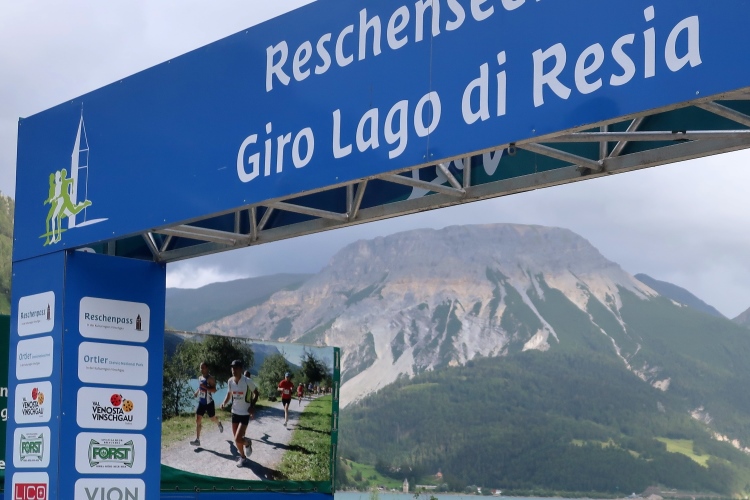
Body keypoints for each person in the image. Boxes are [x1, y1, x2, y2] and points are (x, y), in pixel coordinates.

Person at [221, 359, 259, 468]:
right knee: (237, 440)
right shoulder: (230, 381)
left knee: (238, 439)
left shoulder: (247, 381)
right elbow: (229, 394)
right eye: (232, 368)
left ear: (241, 369)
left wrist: (252, 406)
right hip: (234, 413)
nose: (233, 370)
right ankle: (243, 457)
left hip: (244, 414)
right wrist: (224, 402)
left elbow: (256, 393)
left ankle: (248, 443)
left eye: (236, 368)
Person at [190, 362, 223, 447]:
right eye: (200, 367)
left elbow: (214, 390)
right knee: (198, 420)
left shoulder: (210, 378)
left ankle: (218, 423)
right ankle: (197, 440)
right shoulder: (200, 378)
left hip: (209, 403)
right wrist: (196, 392)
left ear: (207, 368)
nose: (201, 369)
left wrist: (205, 387)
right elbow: (200, 387)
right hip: (201, 402)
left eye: (203, 367)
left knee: (212, 418)